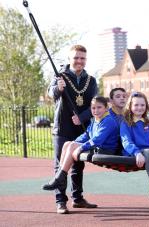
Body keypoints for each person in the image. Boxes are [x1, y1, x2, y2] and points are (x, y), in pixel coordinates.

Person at [47, 44, 98, 214]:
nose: (79, 61)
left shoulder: (91, 80)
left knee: (78, 164)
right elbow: (51, 94)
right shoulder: (59, 75)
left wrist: (82, 117)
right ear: (70, 59)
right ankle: (60, 201)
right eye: (76, 57)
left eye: (82, 58)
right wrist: (58, 88)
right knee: (60, 164)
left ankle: (78, 198)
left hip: (81, 128)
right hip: (62, 127)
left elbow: (94, 104)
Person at [42, 96, 119, 193]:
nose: (96, 110)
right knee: (67, 144)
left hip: (105, 150)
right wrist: (74, 142)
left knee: (72, 146)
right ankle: (60, 176)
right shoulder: (95, 120)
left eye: (99, 107)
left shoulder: (108, 121)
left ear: (106, 108)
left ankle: (60, 178)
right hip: (97, 148)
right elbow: (86, 135)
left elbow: (97, 140)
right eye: (93, 108)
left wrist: (80, 147)